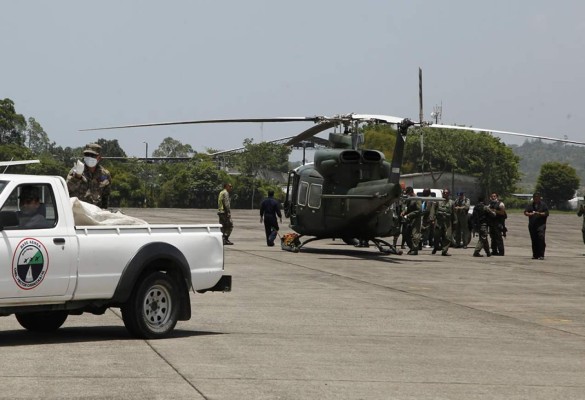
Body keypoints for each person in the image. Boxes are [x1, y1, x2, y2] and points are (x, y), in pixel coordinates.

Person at [67, 143, 112, 209]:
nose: (89, 157)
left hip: (96, 213)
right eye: (87, 155)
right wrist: (77, 177)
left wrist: (104, 211)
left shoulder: (105, 174)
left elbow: (105, 196)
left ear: (99, 157)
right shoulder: (76, 171)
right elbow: (66, 190)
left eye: (92, 155)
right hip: (78, 212)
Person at [524, 192, 549, 260]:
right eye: (535, 198)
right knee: (534, 240)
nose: (536, 199)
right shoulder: (530, 205)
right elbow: (525, 212)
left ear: (539, 198)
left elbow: (546, 213)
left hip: (541, 225)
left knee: (541, 238)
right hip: (532, 225)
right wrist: (530, 214)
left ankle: (541, 255)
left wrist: (540, 213)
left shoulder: (543, 205)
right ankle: (535, 254)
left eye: (537, 198)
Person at [430, 188, 454, 256]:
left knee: (448, 237)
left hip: (447, 222)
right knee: (436, 236)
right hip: (439, 221)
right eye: (444, 193)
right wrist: (432, 219)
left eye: (446, 193)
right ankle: (436, 247)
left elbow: (454, 213)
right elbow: (433, 210)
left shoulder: (451, 202)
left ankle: (444, 251)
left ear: (449, 194)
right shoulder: (438, 201)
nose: (445, 194)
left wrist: (455, 222)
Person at [401, 186, 422, 255]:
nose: (407, 194)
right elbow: (407, 207)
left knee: (415, 235)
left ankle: (415, 250)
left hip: (416, 219)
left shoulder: (417, 198)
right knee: (406, 234)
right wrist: (404, 212)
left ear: (411, 191)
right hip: (409, 219)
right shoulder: (409, 198)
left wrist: (409, 215)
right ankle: (411, 248)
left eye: (408, 193)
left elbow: (419, 210)